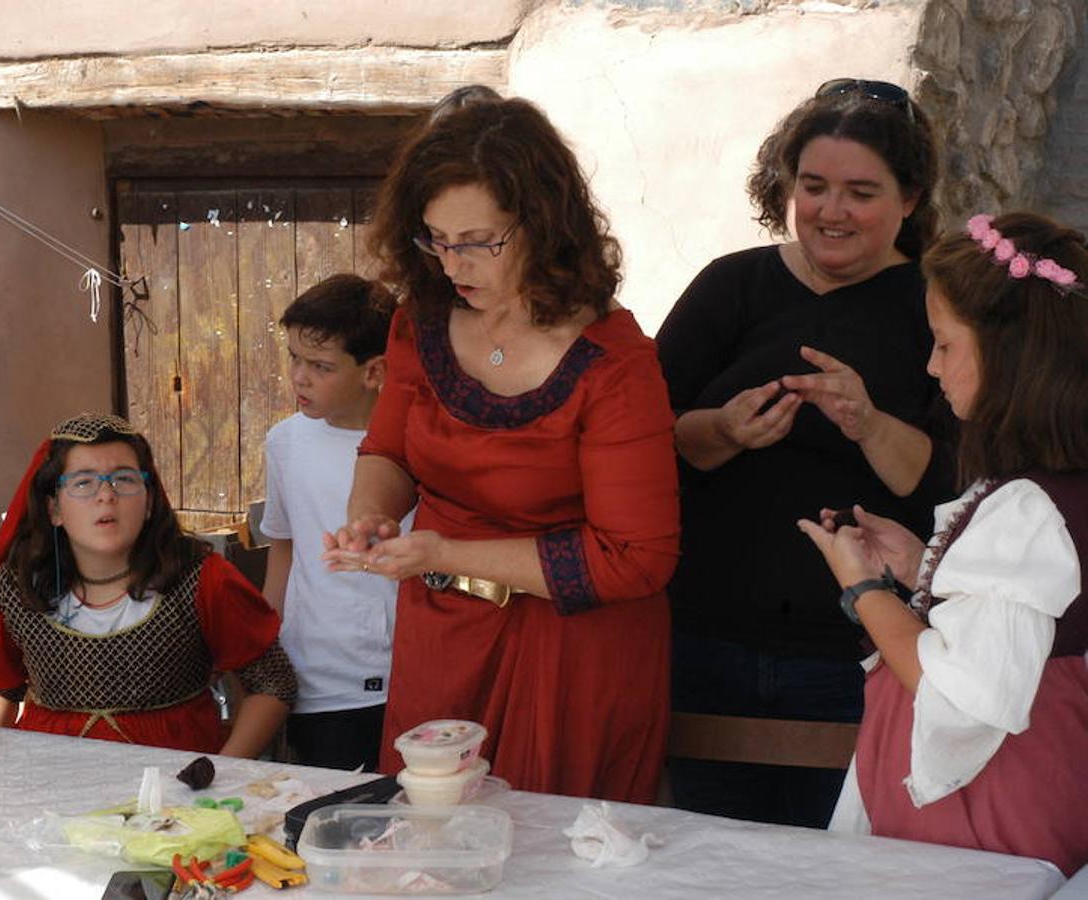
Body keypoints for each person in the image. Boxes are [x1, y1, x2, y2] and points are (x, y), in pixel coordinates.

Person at [323, 98, 680, 802]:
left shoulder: (613, 360)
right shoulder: (418, 324)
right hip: (444, 638)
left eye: (479, 241)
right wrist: (370, 514)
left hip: (571, 655)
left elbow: (636, 558)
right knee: (429, 843)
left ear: (542, 224)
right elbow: (389, 449)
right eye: (435, 239)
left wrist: (442, 553)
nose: (453, 262)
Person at [655, 79, 955, 826]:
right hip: (705, 641)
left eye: (860, 192)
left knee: (842, 861)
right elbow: (642, 436)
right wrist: (719, 432)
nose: (831, 211)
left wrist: (868, 422)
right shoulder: (731, 286)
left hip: (859, 652)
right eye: (813, 187)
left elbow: (949, 481)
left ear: (909, 199)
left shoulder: (934, 305)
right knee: (706, 859)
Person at [800, 212, 1088, 876]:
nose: (931, 367)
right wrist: (919, 567)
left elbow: (962, 693)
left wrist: (865, 592)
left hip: (985, 824)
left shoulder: (1026, 510)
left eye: (944, 345)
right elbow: (1025, 621)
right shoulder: (1053, 490)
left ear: (1006, 354)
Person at [0, 412, 296, 756]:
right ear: (54, 509)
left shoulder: (199, 579)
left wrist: (225, 773)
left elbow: (271, 681)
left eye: (124, 479)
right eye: (83, 483)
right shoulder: (15, 588)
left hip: (174, 783)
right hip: (48, 776)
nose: (106, 495)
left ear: (149, 501)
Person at [259, 273, 401, 772]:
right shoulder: (285, 443)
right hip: (319, 679)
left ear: (374, 371)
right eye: (294, 358)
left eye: (320, 366)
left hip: (407, 672)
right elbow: (284, 545)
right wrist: (265, 644)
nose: (299, 377)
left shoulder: (416, 442)